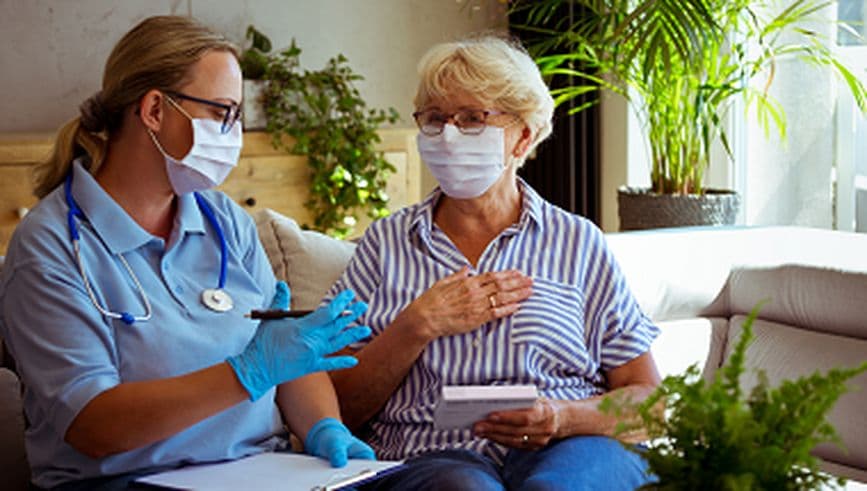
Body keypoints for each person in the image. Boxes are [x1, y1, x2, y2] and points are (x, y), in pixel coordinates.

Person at [0, 16, 374, 491]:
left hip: (257, 474)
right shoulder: (51, 247)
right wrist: (246, 373)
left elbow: (284, 360)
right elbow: (93, 426)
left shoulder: (226, 223)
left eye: (236, 115)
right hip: (124, 482)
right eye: (221, 112)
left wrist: (325, 429)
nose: (233, 134)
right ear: (154, 109)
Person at [326, 35, 662, 491]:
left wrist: (561, 418)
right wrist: (416, 325)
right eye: (435, 118)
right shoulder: (385, 243)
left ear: (523, 135)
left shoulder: (578, 242)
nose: (447, 134)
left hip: (568, 446)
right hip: (429, 455)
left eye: (470, 119)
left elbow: (650, 404)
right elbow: (335, 409)